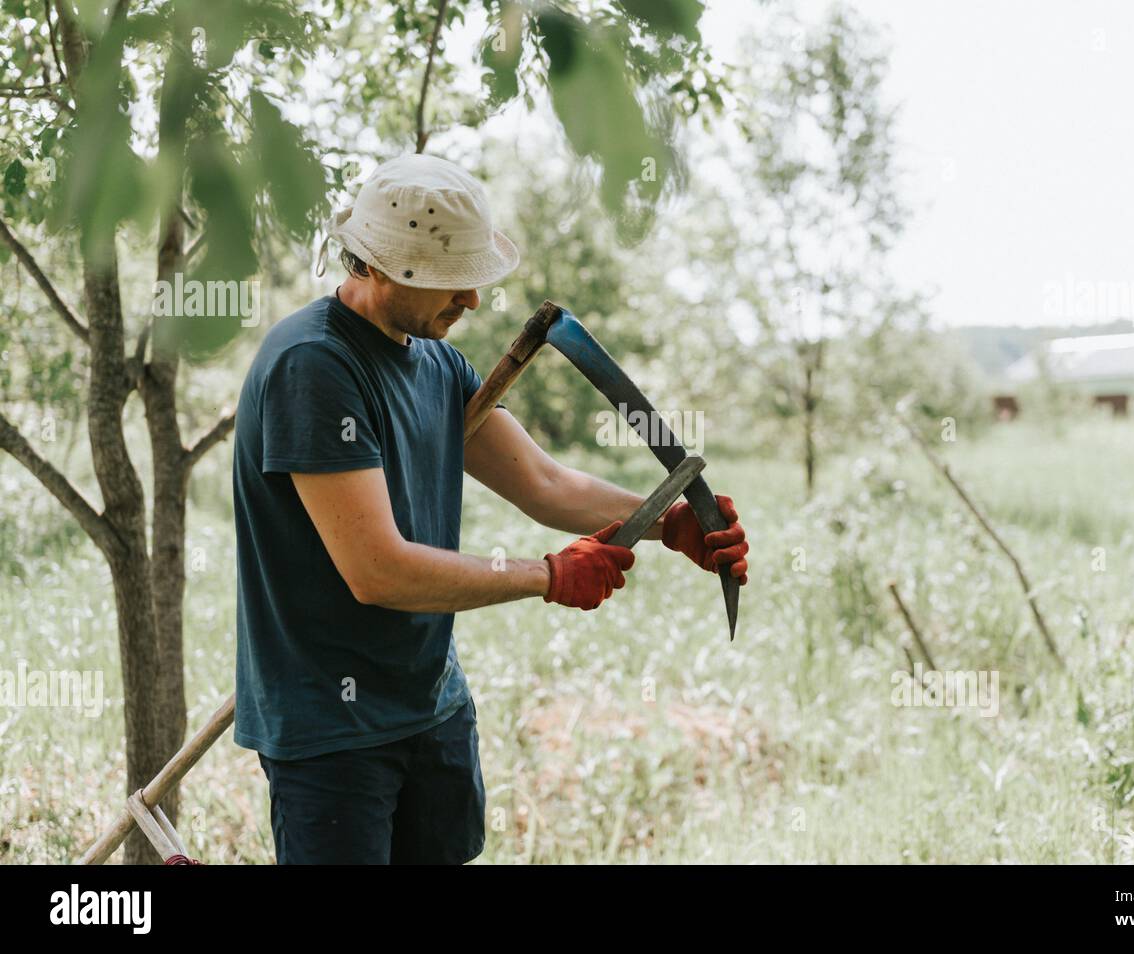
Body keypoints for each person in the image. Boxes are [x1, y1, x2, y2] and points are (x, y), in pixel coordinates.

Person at [231, 154, 749, 864]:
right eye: (451, 279)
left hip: (433, 706)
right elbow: (376, 571)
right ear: (381, 268)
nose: (473, 299)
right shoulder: (313, 366)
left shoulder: (437, 363)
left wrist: (670, 522)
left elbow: (542, 481)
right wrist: (547, 576)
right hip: (334, 732)